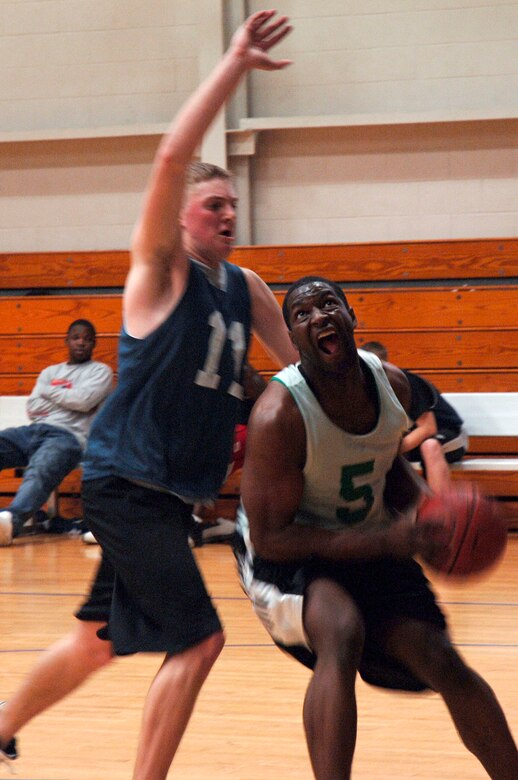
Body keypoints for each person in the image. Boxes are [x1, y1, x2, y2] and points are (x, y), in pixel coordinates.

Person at [0, 11, 297, 778]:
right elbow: (170, 154)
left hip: (166, 496)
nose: (227, 215)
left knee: (98, 640)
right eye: (212, 205)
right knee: (200, 639)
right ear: (181, 215)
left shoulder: (247, 286)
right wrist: (232, 64)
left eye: (233, 205)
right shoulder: (160, 272)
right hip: (125, 483)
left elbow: (299, 375)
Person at [235, 276, 518, 780]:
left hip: (366, 539)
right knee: (341, 633)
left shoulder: (394, 384)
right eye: (302, 314)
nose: (319, 316)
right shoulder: (279, 415)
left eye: (328, 305)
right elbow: (271, 537)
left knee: (441, 658)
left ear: (351, 318)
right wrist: (387, 540)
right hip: (288, 554)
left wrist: (432, 514)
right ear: (294, 341)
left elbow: (388, 470)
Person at [0, 319, 113, 546]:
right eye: (76, 337)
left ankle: (10, 521)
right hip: (33, 431)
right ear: (67, 341)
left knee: (41, 469)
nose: (81, 343)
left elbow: (83, 401)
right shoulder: (50, 371)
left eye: (87, 339)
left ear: (94, 344)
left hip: (69, 438)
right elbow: (33, 408)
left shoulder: (101, 372)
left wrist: (49, 392)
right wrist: (67, 400)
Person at [362, 340, 468, 494]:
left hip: (449, 434)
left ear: (384, 365)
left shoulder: (406, 383)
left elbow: (428, 428)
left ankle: (442, 513)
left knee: (429, 446)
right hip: (413, 439)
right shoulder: (364, 390)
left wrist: (388, 450)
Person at [190, 360, 268, 546]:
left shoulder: (232, 366)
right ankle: (197, 524)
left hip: (241, 435)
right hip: (247, 436)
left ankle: (191, 523)